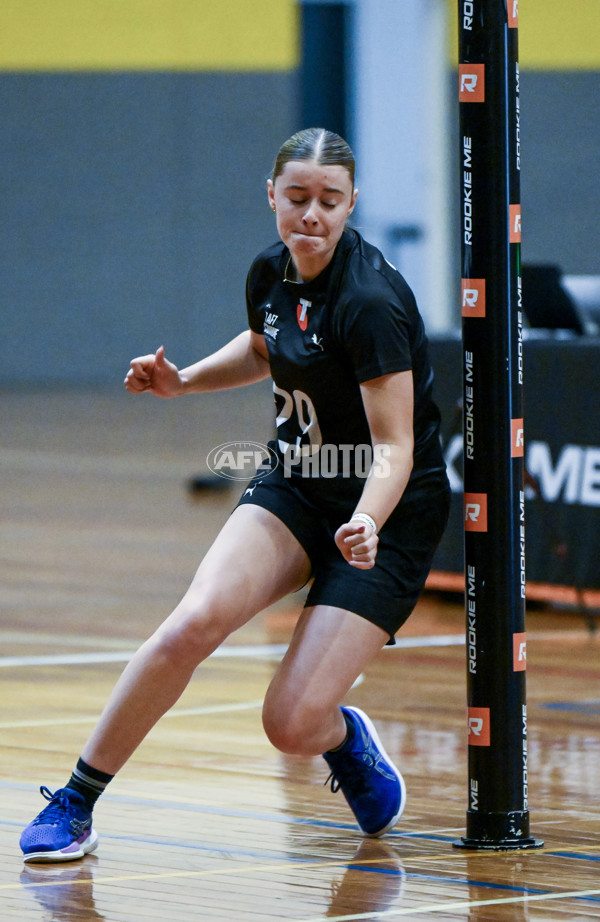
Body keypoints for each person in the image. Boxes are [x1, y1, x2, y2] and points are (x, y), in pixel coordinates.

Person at [20, 128, 450, 863]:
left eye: (329, 201)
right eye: (297, 198)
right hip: (296, 482)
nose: (311, 214)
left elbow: (395, 446)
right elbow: (263, 346)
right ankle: (78, 800)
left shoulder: (371, 302)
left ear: (352, 205)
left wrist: (369, 519)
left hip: (386, 511)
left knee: (287, 724)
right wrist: (182, 379)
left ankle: (342, 739)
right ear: (273, 197)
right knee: (192, 621)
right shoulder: (269, 272)